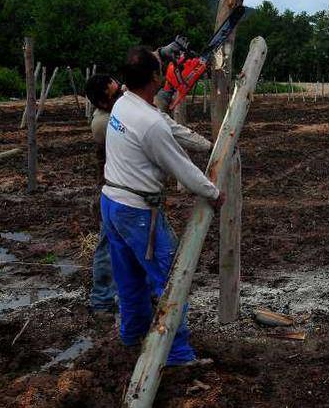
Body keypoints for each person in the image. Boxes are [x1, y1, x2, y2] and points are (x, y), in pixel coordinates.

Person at [101, 47, 224, 366]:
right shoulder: (149, 124)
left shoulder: (125, 104)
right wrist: (213, 192)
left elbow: (167, 124)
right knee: (170, 281)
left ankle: (132, 337)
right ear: (156, 77)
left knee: (128, 279)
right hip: (137, 213)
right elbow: (180, 166)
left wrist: (210, 144)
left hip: (111, 203)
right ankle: (178, 354)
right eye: (162, 69)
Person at [84, 73, 212, 319]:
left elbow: (156, 113)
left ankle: (135, 311)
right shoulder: (106, 121)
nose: (122, 91)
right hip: (127, 196)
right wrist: (211, 191)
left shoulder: (123, 106)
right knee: (139, 254)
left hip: (125, 195)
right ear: (103, 103)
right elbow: (177, 161)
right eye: (116, 92)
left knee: (132, 255)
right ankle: (109, 301)